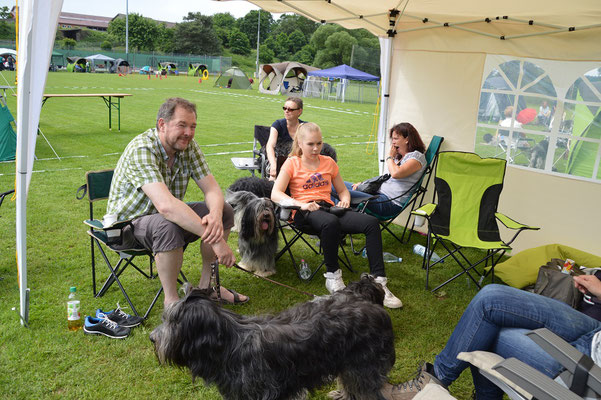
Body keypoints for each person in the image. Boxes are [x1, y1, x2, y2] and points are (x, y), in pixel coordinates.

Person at [106, 97, 248, 306]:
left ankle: (207, 288)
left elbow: (212, 189)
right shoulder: (142, 149)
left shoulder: (187, 147)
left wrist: (215, 216)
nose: (189, 133)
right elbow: (166, 206)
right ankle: (172, 304)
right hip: (126, 227)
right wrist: (217, 241)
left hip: (165, 218)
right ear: (162, 124)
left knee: (225, 210)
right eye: (182, 125)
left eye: (192, 126)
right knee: (167, 225)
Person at [394, 275, 601, 399]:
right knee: (490, 297)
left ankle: (436, 381)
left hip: (591, 366)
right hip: (595, 331)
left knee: (486, 331)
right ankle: (435, 378)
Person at [271, 122, 402, 309]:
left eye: (319, 143)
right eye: (310, 144)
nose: (316, 148)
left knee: (371, 223)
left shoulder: (328, 163)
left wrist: (345, 200)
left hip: (329, 209)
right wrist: (302, 204)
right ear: (299, 143)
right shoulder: (292, 163)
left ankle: (378, 282)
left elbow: (342, 190)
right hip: (304, 212)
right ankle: (333, 277)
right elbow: (276, 194)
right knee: (331, 223)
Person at [342, 123, 427, 216]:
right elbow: (384, 178)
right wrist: (363, 184)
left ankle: (337, 220)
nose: (393, 142)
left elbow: (396, 174)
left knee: (341, 192)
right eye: (392, 139)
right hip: (376, 193)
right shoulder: (398, 157)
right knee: (335, 185)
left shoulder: (416, 158)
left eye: (396, 138)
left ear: (407, 139)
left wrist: (390, 157)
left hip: (389, 203)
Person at [266, 97, 305, 181]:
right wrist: (273, 164)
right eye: (285, 108)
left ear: (299, 111)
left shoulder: (305, 127)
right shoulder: (277, 125)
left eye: (290, 109)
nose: (286, 111)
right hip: (280, 159)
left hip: (299, 162)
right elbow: (270, 145)